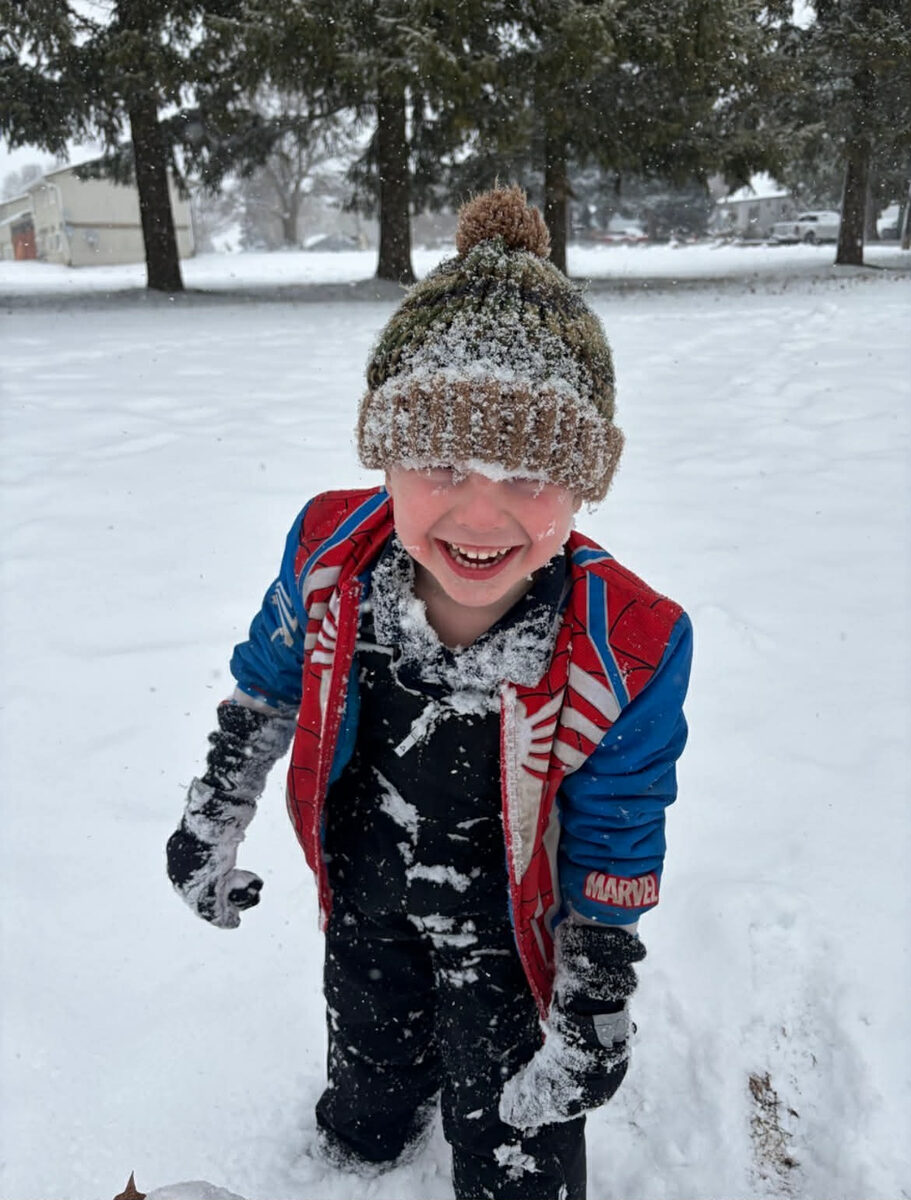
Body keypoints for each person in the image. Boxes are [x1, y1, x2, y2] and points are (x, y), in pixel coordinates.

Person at [167, 185, 692, 1200]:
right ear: (385, 457)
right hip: (363, 883)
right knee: (365, 1071)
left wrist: (592, 990)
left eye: (531, 471)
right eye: (440, 460)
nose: (478, 511)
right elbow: (269, 680)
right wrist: (215, 805)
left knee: (512, 1126)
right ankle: (364, 1145)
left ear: (585, 483)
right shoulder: (330, 554)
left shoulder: (626, 642)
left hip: (511, 926)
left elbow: (619, 822)